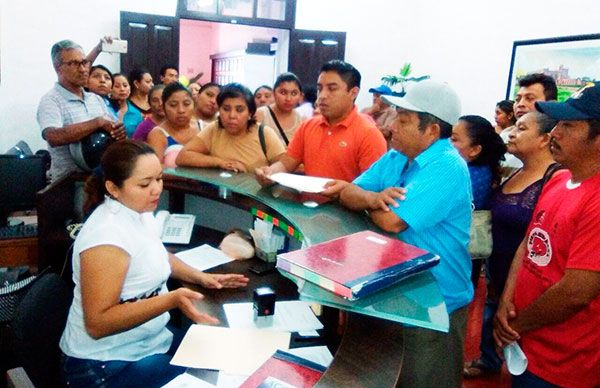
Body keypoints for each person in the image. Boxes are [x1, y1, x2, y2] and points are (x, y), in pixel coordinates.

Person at [60, 140, 248, 387]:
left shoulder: (138, 212)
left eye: (159, 178)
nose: (157, 189)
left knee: (232, 358)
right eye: (145, 184)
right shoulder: (106, 239)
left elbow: (156, 254)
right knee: (217, 379)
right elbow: (98, 324)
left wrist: (199, 277)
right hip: (104, 364)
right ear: (113, 188)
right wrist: (171, 299)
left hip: (150, 343)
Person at [338, 79, 473, 386]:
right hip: (397, 290)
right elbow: (349, 192)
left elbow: (392, 222)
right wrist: (374, 199)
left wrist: (367, 205)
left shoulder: (447, 166)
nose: (392, 127)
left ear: (432, 131)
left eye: (403, 120)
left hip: (436, 300)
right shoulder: (398, 155)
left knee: (426, 379)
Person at [494, 84, 600, 388]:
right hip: (525, 342)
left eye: (568, 126)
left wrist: (515, 325)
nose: (555, 134)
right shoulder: (559, 178)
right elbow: (529, 242)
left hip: (564, 363)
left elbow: (576, 292)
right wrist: (505, 302)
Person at [463, 111, 560, 379]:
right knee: (493, 315)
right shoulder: (514, 172)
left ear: (544, 139)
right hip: (498, 267)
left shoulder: (554, 178)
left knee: (520, 331)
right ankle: (489, 359)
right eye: (514, 127)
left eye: (522, 128)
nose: (513, 133)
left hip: (528, 272)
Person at [255, 60, 387, 197]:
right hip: (306, 211)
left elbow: (372, 193)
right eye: (320, 89)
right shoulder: (308, 126)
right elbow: (285, 164)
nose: (322, 96)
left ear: (353, 93)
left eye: (332, 88)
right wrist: (269, 172)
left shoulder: (369, 135)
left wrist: (345, 192)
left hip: (346, 215)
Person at [37, 40, 125, 182]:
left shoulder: (95, 99)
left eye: (84, 63)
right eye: (74, 64)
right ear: (58, 68)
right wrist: (98, 122)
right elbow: (53, 136)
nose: (83, 69)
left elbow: (109, 132)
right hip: (69, 184)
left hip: (100, 179)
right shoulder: (51, 101)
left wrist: (117, 132)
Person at [177, 83, 286, 173]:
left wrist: (268, 173)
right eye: (226, 109)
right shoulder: (214, 129)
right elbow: (182, 157)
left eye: (239, 110)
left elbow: (285, 166)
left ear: (250, 113)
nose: (232, 116)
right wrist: (221, 162)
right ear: (219, 110)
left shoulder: (264, 133)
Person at [450, 115, 506, 289]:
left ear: (474, 150)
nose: (446, 144)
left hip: (458, 251)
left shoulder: (469, 174)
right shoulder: (483, 169)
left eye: (454, 139)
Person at [501, 73, 557, 171]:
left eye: (530, 98)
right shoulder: (505, 135)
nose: (520, 104)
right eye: (517, 99)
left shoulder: (558, 142)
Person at [147, 83, 198, 168]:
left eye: (186, 104)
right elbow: (155, 168)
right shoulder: (158, 134)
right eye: (173, 105)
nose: (181, 110)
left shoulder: (204, 127)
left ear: (194, 105)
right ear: (163, 108)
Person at [255, 73, 304, 145]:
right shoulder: (261, 114)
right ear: (274, 93)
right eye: (283, 92)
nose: (288, 98)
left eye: (294, 93)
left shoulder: (301, 121)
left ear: (300, 96)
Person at [109, 73, 143, 138]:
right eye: (117, 86)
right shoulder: (105, 108)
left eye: (125, 85)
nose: (122, 89)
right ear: (110, 89)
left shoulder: (136, 113)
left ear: (129, 88)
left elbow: (139, 138)